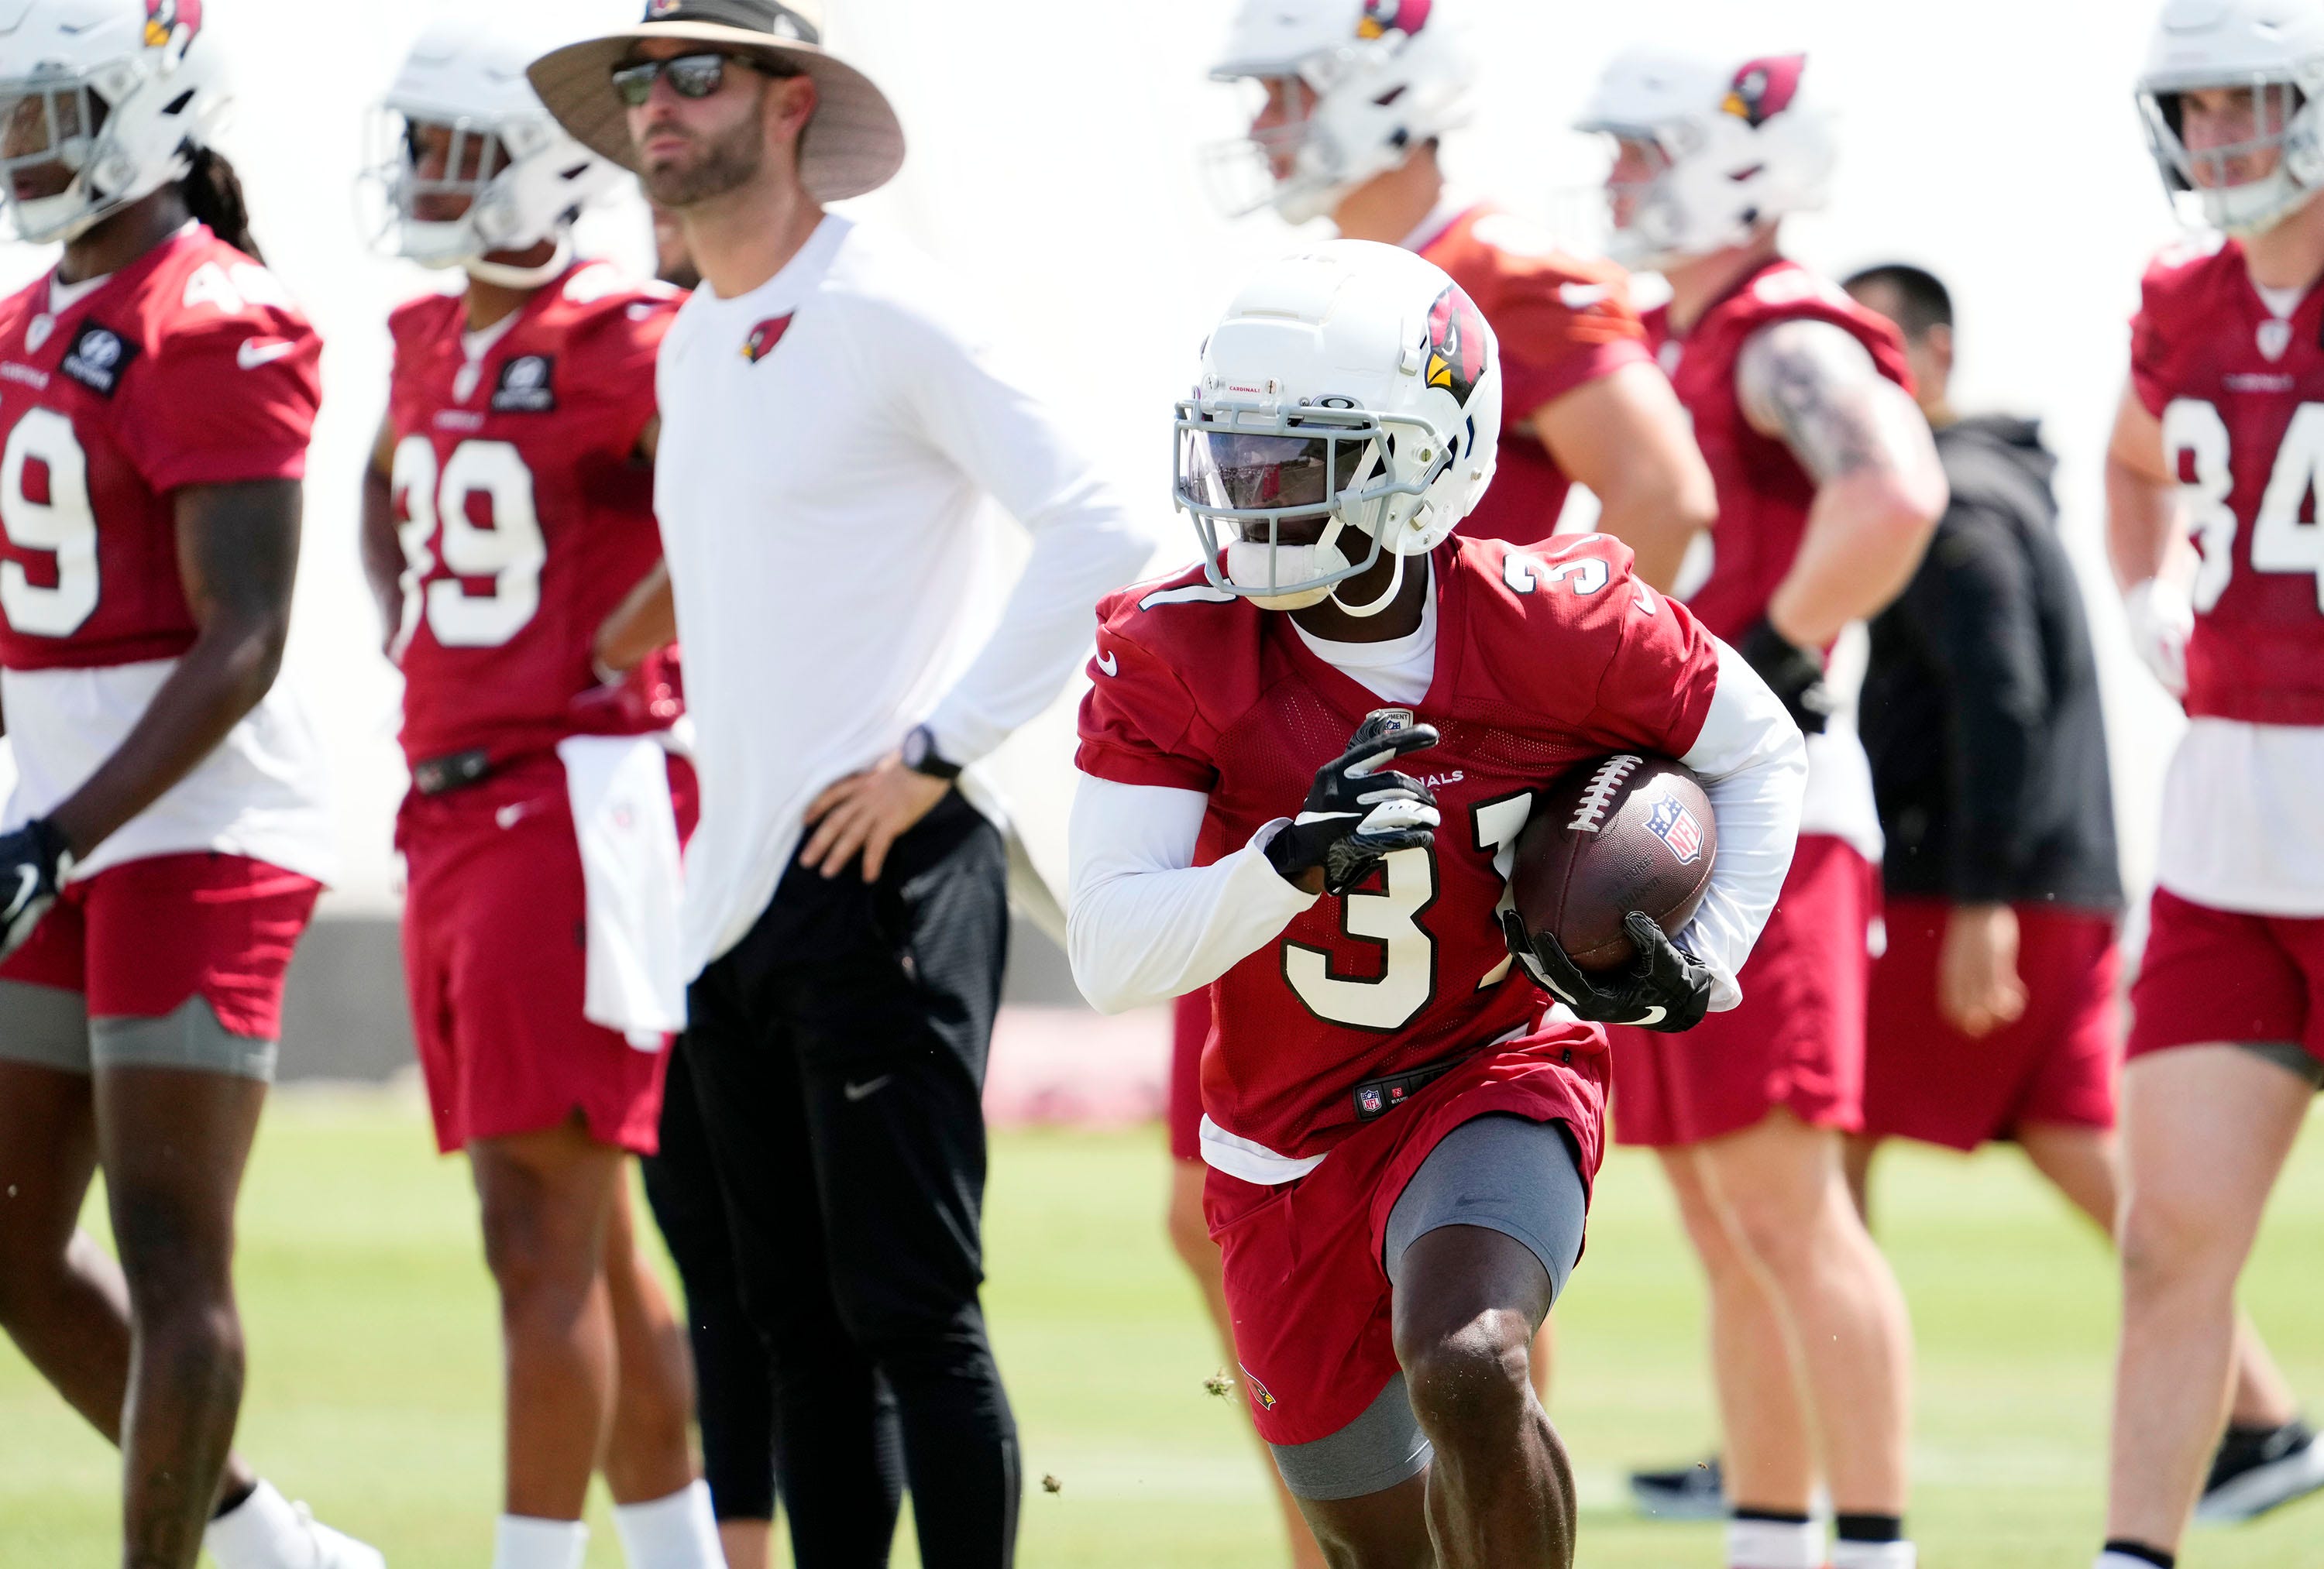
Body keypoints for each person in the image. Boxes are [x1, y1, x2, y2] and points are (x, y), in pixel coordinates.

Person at [526, 5, 1157, 1564]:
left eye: (695, 73)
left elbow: (1102, 530)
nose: (656, 109)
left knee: (911, 1310)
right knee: (793, 1321)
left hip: (884, 870)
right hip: (729, 889)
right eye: (638, 80)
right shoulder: (691, 340)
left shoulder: (893, 309)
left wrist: (940, 751)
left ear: (790, 102)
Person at [1068, 237, 1805, 1569]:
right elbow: (1112, 950)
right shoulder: (1175, 646)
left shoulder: (1561, 622)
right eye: (1233, 453)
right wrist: (1287, 863)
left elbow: (1759, 753)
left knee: (1470, 1362)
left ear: (1422, 460)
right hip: (1281, 1139)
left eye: (1296, 459)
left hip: (1491, 1066)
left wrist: (1709, 948)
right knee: (1379, 1549)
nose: (1249, 493)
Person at [1196, 12, 1721, 1550]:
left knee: (1464, 1284)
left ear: (1386, 89)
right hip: (1307, 812)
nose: (1272, 123)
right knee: (1253, 1231)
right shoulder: (1307, 296)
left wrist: (1559, 746)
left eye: (1293, 88)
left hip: (1444, 834)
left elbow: (1662, 495)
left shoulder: (1502, 273)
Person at [1842, 260, 2317, 1528]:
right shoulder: (2007, 481)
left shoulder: (1951, 505)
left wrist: (1986, 891)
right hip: (2076, 877)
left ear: (1938, 356)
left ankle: (1806, 1420)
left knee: (1811, 1155)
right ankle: (2265, 1421)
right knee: (2115, 1179)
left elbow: (1998, 694)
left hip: (1991, 890)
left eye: (1880, 349)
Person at [0, 3, 377, 1567]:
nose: (27, 139)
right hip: (66, 831)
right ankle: (271, 1539)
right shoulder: (37, 308)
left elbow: (249, 636)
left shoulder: (213, 313)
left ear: (155, 105)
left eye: (58, 106)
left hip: (194, 828)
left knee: (171, 1251)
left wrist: (60, 830)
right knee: (8, 1232)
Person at [357, 15, 723, 1569]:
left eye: (449, 147)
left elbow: (739, 508)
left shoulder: (635, 332)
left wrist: (627, 634)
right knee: (582, 1232)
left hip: (566, 799)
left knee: (539, 1234)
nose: (420, 176)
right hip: (453, 801)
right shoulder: (429, 332)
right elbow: (383, 481)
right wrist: (399, 605)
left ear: (534, 166)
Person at [1575, 47, 1946, 1569]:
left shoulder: (1781, 328)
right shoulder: (1686, 331)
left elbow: (1895, 487)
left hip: (1770, 816)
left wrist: (1781, 651)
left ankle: (1870, 1546)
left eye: (1650, 149)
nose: (1620, 178)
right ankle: (1772, 1539)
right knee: (1728, 1221)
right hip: (1683, 819)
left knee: (1788, 1208)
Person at [2097, 3, 2324, 1564]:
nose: (2222, 138)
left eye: (2250, 104)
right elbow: (2130, 462)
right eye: (2200, 109)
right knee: (2169, 1235)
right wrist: (2140, 595)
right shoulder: (2183, 295)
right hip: (2226, 832)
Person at [603, 203, 795, 1569]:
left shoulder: (797, 330)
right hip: (667, 849)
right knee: (709, 1256)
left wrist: (594, 644)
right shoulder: (649, 335)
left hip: (777, 839)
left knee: (848, 1285)